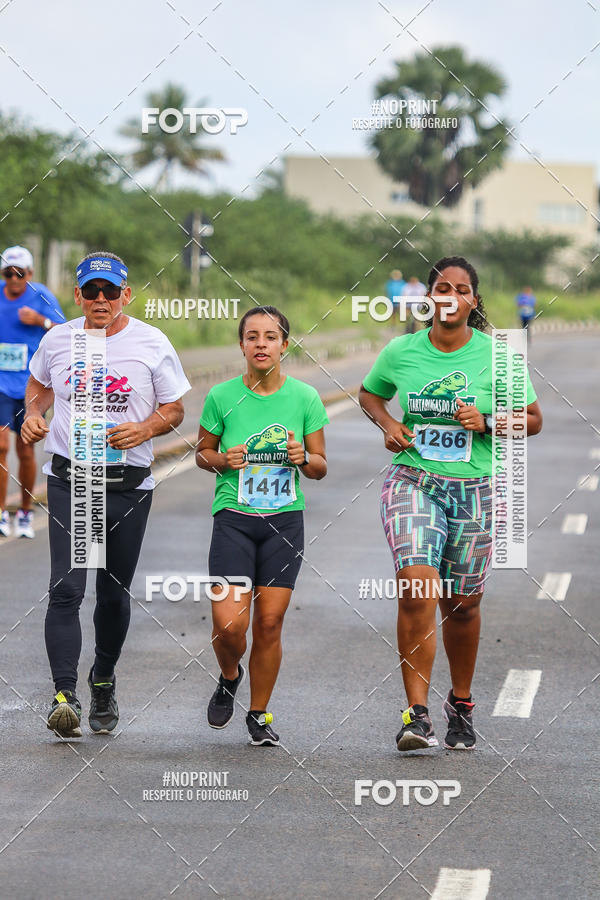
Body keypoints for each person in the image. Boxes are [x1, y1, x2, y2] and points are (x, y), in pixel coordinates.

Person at [359, 256, 542, 752]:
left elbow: (532, 420)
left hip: (475, 487)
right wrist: (389, 425)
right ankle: (416, 715)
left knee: (462, 605)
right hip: (413, 479)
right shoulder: (402, 350)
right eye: (442, 287)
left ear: (473, 302)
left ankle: (459, 703)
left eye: (461, 290)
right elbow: (370, 395)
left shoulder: (499, 357)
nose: (450, 297)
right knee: (417, 588)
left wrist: (485, 420)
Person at [21, 251, 191, 738]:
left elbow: (175, 409)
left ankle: (103, 679)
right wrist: (34, 414)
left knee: (112, 594)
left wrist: (144, 429)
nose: (100, 300)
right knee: (67, 589)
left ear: (126, 295)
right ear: (77, 296)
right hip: (73, 481)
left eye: (109, 291)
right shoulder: (58, 340)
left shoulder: (151, 342)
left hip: (127, 486)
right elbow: (38, 386)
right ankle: (64, 695)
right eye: (91, 291)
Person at [196, 306, 328, 746]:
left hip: (284, 522)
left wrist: (303, 458)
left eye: (270, 337)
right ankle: (229, 674)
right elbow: (202, 453)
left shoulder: (306, 398)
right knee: (229, 625)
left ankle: (259, 713)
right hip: (233, 518)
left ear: (284, 345)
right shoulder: (220, 396)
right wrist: (221, 460)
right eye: (252, 336)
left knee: (269, 623)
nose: (261, 344)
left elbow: (320, 466)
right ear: (241, 345)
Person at [0, 245, 64, 538]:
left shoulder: (41, 297)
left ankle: (24, 511)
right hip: (1, 384)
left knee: (24, 450)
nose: (13, 279)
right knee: (0, 448)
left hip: (31, 388)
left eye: (19, 274)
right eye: (7, 274)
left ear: (30, 274)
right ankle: (1, 512)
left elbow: (65, 332)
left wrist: (41, 321)